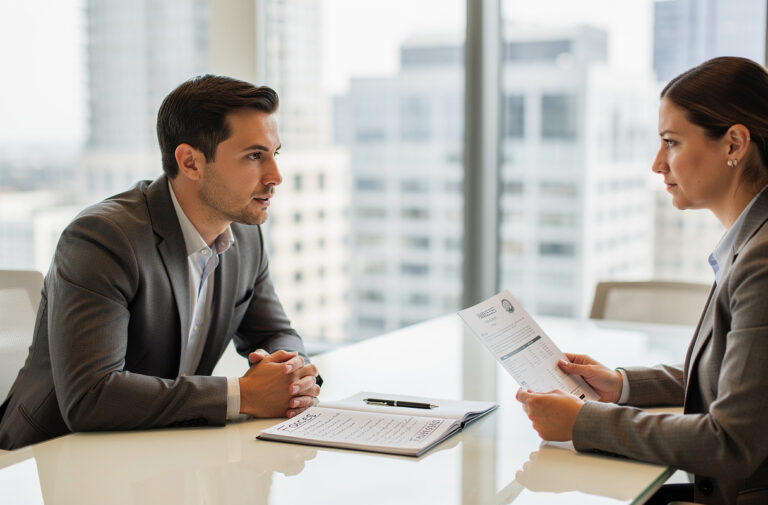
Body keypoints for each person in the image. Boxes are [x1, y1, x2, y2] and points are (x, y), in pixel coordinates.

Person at [0, 75, 321, 450]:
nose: (275, 176)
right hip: (48, 460)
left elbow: (274, 333)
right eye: (254, 156)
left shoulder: (245, 236)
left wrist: (291, 375)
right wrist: (243, 395)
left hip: (158, 449)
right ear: (190, 162)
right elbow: (91, 396)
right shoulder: (101, 238)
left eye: (274, 154)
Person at [516, 56, 768, 505]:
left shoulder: (762, 260)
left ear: (734, 143)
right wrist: (622, 385)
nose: (657, 164)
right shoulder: (750, 240)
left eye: (671, 142)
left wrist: (582, 422)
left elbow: (729, 442)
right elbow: (742, 381)